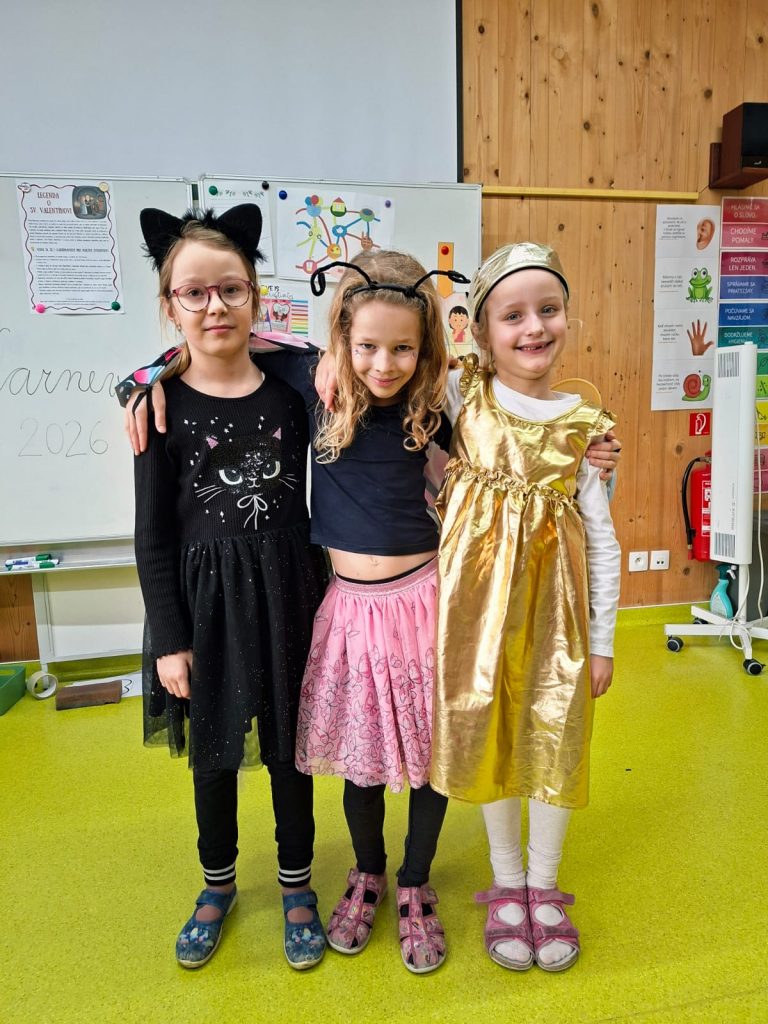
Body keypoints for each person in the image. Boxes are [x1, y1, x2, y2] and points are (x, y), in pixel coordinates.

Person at [122, 247, 621, 976]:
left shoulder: (441, 402)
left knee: (427, 757)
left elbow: (522, 427)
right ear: (340, 342)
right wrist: (144, 380)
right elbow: (229, 341)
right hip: (350, 608)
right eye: (364, 347)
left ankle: (416, 882)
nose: (383, 364)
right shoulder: (312, 387)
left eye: (402, 349)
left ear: (424, 348)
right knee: (360, 758)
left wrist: (591, 452)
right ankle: (368, 872)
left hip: (426, 604)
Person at [128, 204, 328, 972]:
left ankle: (297, 884)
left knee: (289, 752)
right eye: (194, 293)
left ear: (255, 296)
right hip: (203, 608)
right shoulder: (158, 406)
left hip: (289, 594)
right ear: (169, 305)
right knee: (212, 756)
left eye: (232, 289)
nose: (215, 307)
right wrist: (169, 640)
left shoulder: (293, 390)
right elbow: (152, 535)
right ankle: (217, 885)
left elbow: (340, 363)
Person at [429, 242, 621, 974]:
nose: (534, 327)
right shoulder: (462, 394)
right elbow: (368, 359)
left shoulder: (584, 426)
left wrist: (601, 640)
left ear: (568, 316)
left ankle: (543, 885)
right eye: (512, 315)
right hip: (475, 621)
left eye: (548, 309)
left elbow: (600, 540)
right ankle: (506, 881)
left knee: (553, 737)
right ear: (480, 330)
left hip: (556, 623)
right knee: (491, 735)